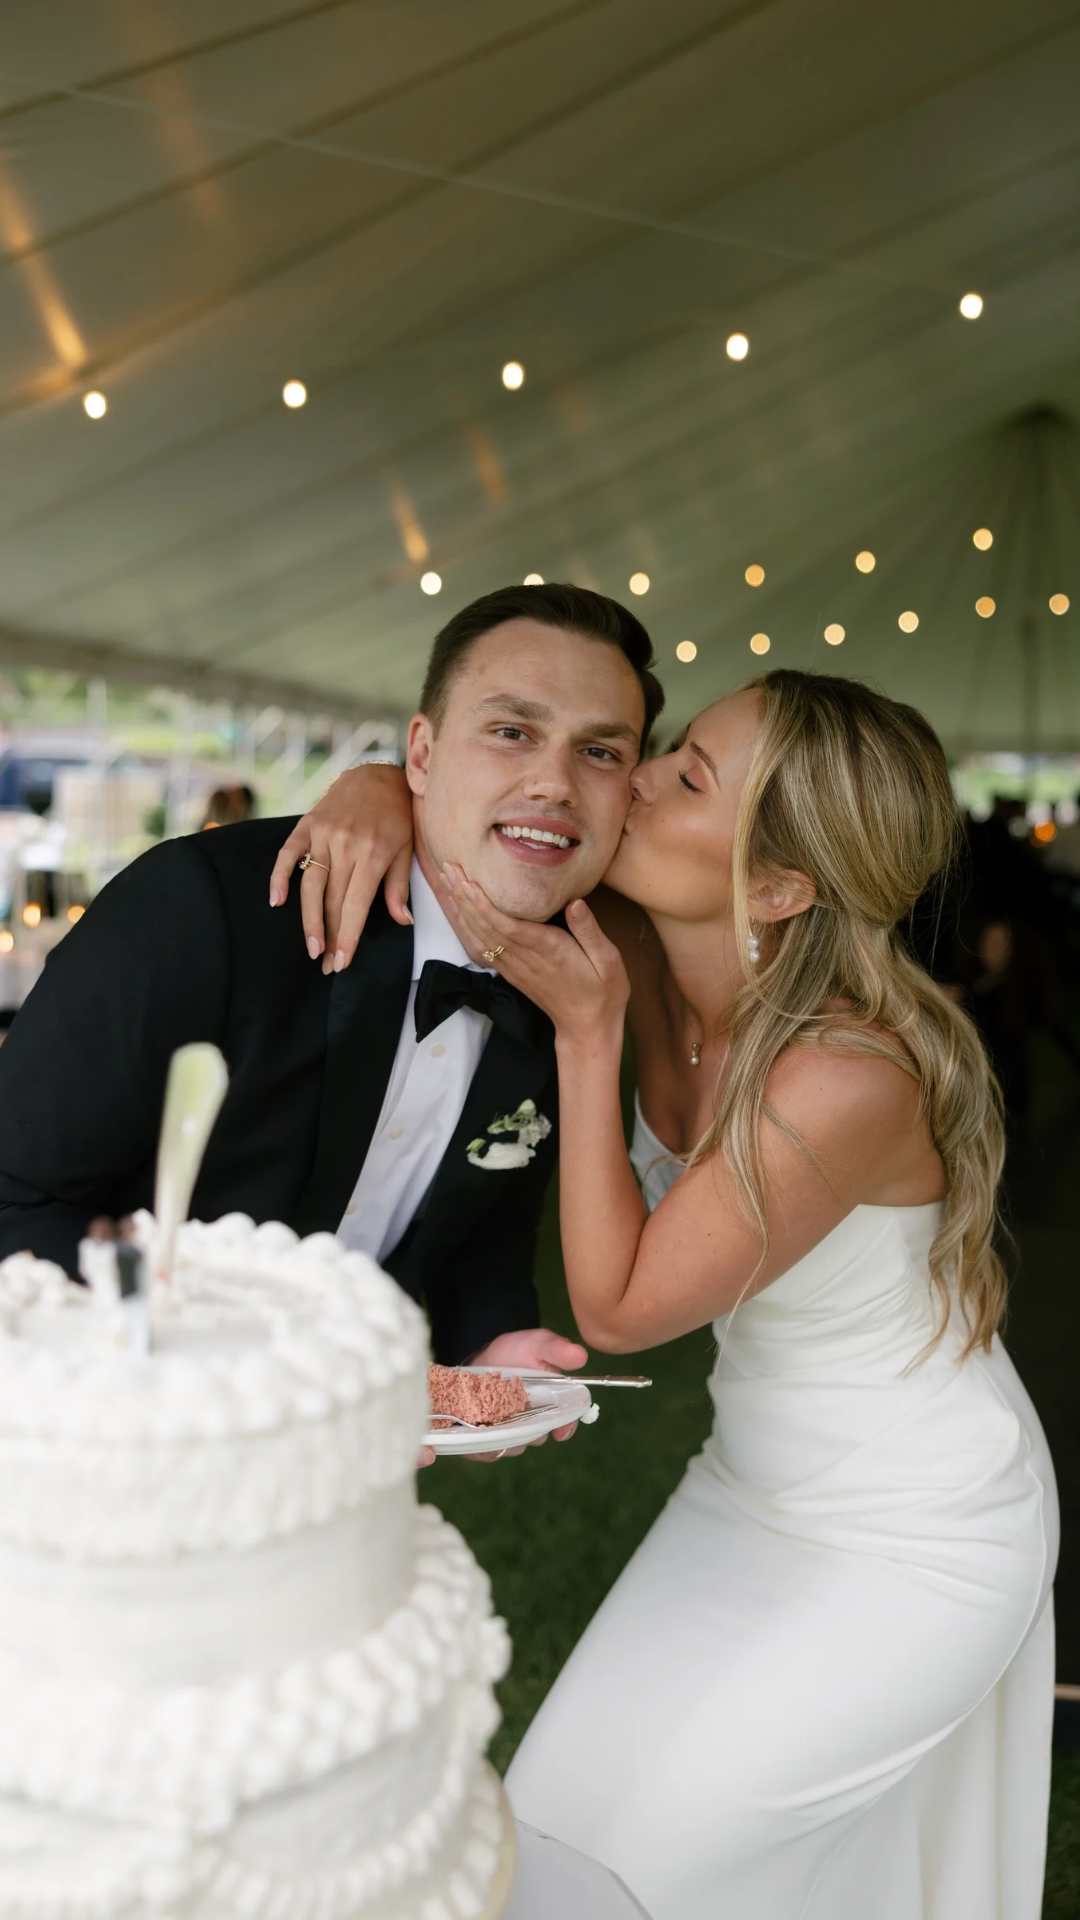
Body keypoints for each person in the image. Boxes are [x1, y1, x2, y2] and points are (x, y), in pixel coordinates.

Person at [284, 669, 1058, 1920]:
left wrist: (593, 1040)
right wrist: (378, 784)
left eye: (685, 776)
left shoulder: (851, 1074)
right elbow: (471, 836)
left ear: (776, 885)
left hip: (921, 1533)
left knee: (656, 1872)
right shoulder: (637, 939)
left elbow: (625, 1308)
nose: (630, 777)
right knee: (549, 1834)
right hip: (745, 1490)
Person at [0, 583, 661, 1383]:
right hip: (101, 1423)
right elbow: (16, 1195)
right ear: (420, 754)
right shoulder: (208, 909)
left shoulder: (569, 986)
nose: (555, 783)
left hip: (328, 1466)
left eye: (600, 751)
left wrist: (491, 1339)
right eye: (511, 731)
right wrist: (229, 1360)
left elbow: (481, 1230)